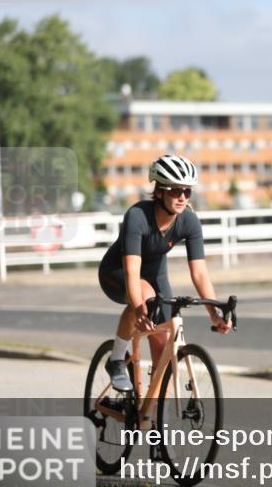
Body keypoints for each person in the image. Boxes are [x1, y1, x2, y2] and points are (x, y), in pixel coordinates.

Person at [98, 154, 231, 392]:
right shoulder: (137, 216)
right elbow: (132, 270)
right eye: (175, 190)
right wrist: (139, 307)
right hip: (116, 272)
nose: (182, 197)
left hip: (155, 275)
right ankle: (117, 358)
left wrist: (214, 312)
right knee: (145, 295)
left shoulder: (188, 220)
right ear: (159, 191)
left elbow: (200, 274)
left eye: (187, 191)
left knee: (164, 347)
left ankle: (156, 418)